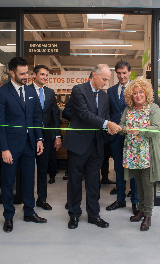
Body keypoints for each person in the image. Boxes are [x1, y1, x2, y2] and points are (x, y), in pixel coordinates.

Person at [62, 64, 121, 229]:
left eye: (108, 80)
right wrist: (107, 123)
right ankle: (74, 215)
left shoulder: (105, 96)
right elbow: (83, 114)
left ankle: (94, 215)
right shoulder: (78, 90)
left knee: (94, 182)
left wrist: (108, 129)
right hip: (79, 144)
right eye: (103, 79)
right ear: (94, 75)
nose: (105, 83)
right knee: (74, 181)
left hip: (97, 145)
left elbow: (106, 115)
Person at [0, 57, 46, 233]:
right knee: (8, 182)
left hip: (30, 145)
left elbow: (36, 118)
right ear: (11, 73)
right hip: (11, 147)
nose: (26, 76)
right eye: (22, 73)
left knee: (30, 180)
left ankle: (29, 211)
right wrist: (4, 149)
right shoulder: (1, 93)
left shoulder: (30, 92)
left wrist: (39, 139)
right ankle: (8, 216)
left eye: (27, 72)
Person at [119, 76, 160, 231]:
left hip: (147, 153)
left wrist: (140, 131)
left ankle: (148, 215)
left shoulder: (153, 108)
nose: (138, 95)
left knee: (148, 185)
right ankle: (142, 210)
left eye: (141, 92)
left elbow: (156, 127)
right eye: (135, 93)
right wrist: (122, 129)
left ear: (146, 93)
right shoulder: (128, 110)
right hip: (132, 153)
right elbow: (122, 125)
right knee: (138, 184)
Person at [106, 61, 139, 215]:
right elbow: (109, 112)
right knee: (118, 169)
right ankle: (120, 200)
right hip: (115, 135)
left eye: (124, 73)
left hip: (132, 135)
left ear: (129, 72)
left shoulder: (136, 89)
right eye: (118, 73)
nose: (121, 76)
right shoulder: (111, 91)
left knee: (132, 169)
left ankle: (135, 202)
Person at [29, 65, 61, 210]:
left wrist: (57, 135)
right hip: (30, 136)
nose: (44, 77)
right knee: (28, 169)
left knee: (43, 169)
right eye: (42, 74)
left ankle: (41, 199)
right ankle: (28, 198)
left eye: (46, 75)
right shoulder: (26, 90)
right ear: (34, 75)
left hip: (47, 136)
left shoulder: (49, 92)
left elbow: (54, 114)